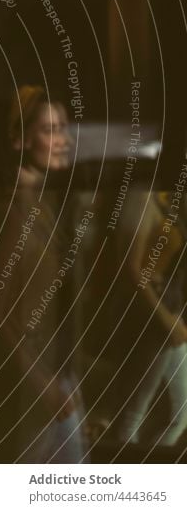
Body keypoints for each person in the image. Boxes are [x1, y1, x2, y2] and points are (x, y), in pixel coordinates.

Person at [0, 85, 87, 462]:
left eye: (63, 128)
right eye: (49, 130)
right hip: (34, 385)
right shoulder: (15, 206)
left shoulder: (43, 200)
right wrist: (43, 387)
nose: (62, 140)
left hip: (58, 374)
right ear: (20, 140)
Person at [113, 190, 187, 446]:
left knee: (181, 413)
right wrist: (165, 319)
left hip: (169, 309)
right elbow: (132, 269)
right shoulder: (142, 198)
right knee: (134, 412)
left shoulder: (167, 199)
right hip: (150, 316)